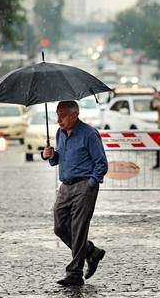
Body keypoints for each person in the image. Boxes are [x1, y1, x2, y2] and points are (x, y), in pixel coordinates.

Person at [42, 101, 108, 286]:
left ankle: (75, 274)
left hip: (84, 186)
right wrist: (50, 155)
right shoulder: (59, 133)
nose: (58, 120)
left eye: (62, 115)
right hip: (65, 186)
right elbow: (57, 159)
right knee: (60, 226)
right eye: (57, 114)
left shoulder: (89, 134)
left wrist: (91, 184)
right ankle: (91, 252)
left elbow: (101, 163)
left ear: (75, 115)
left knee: (79, 229)